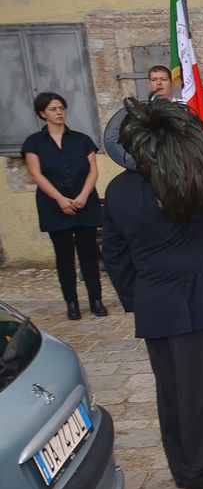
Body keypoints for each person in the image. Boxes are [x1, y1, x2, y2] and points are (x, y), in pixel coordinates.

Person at [100, 99, 203, 489]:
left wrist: (136, 298)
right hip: (197, 301)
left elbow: (114, 254)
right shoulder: (184, 183)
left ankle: (184, 467)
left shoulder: (117, 190)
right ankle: (202, 472)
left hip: (154, 302)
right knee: (200, 391)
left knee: (170, 391)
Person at [21, 92, 108, 320]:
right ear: (42, 113)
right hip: (53, 206)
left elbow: (93, 170)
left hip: (84, 203)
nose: (59, 112)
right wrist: (60, 198)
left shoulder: (81, 139)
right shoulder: (34, 143)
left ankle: (96, 300)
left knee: (89, 254)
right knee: (64, 256)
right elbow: (36, 174)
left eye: (61, 108)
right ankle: (72, 302)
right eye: (53, 109)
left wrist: (83, 195)